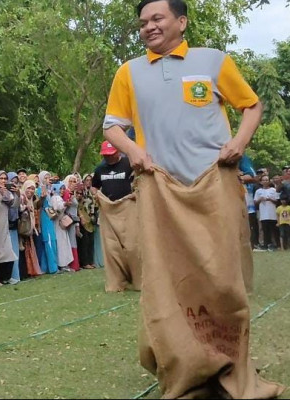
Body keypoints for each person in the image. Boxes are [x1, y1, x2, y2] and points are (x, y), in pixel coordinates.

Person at [102, 0, 284, 398]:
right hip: (160, 189)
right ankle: (186, 366)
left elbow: (251, 106)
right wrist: (135, 153)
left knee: (222, 278)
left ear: (181, 22)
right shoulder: (128, 72)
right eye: (143, 22)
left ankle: (229, 364)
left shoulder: (213, 61)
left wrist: (238, 143)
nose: (148, 27)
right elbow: (113, 126)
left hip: (213, 183)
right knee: (168, 281)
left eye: (157, 18)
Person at [92, 141, 141, 292]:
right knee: (112, 248)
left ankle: (138, 280)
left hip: (128, 209)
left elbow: (140, 179)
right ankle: (117, 282)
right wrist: (96, 195)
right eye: (105, 155)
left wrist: (137, 192)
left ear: (118, 152)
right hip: (109, 211)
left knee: (132, 246)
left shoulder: (128, 164)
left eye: (111, 155)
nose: (108, 158)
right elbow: (94, 186)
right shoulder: (100, 169)